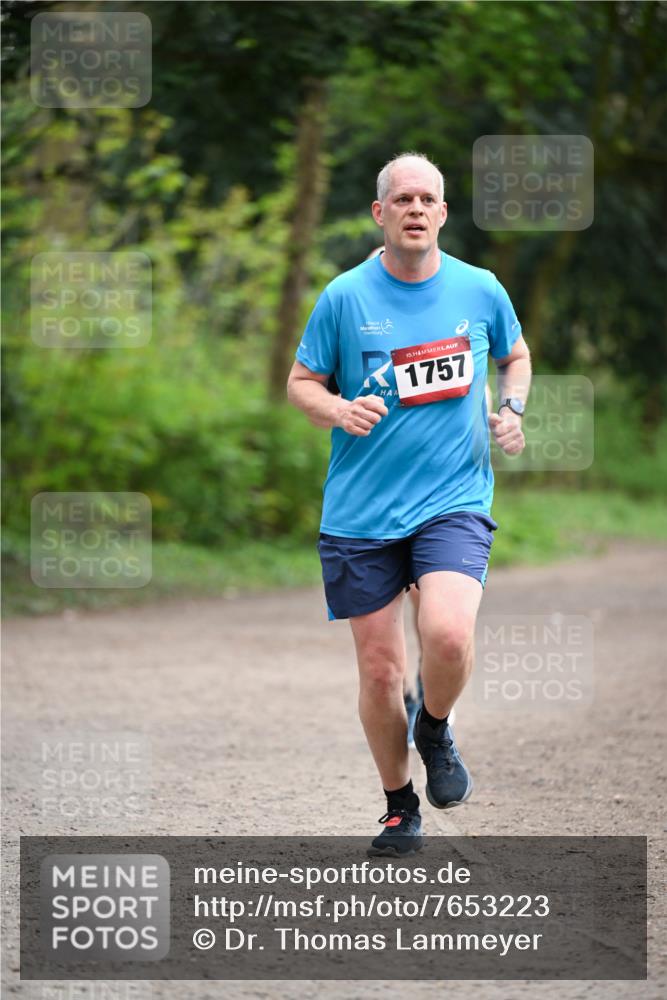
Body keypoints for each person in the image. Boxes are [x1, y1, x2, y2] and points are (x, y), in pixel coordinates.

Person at [287, 152, 531, 857]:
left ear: (443, 214)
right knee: (379, 670)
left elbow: (514, 356)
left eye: (428, 199)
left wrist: (511, 407)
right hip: (361, 511)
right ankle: (399, 806)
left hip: (451, 498)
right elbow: (301, 382)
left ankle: (434, 724)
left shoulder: (479, 289)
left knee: (449, 636)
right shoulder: (343, 297)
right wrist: (336, 408)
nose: (415, 209)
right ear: (380, 213)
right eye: (403, 200)